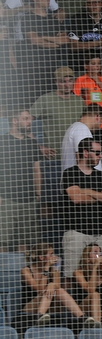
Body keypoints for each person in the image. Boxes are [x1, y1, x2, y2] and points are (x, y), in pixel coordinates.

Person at [61, 138, 102, 279]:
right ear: (85, 153)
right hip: (77, 233)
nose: (100, 156)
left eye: (100, 153)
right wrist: (99, 195)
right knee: (71, 276)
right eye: (96, 153)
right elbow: (77, 198)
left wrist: (88, 191)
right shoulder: (70, 173)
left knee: (99, 275)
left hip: (98, 234)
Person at [0, 108, 42, 253]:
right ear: (14, 121)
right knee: (2, 241)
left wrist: (38, 194)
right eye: (25, 119)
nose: (29, 122)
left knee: (24, 243)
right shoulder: (2, 142)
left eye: (30, 119)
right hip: (6, 198)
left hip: (28, 199)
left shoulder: (32, 143)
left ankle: (23, 274)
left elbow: (37, 169)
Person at [21, 242, 88, 326]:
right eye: (51, 254)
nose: (54, 256)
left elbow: (58, 286)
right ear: (41, 257)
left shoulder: (53, 268)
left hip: (50, 305)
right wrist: (46, 268)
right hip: (31, 306)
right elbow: (39, 289)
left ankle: (82, 317)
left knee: (60, 291)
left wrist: (52, 284)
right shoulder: (26, 271)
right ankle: (39, 315)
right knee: (47, 291)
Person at [72, 242, 102, 329]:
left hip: (101, 307)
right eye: (95, 252)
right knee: (95, 294)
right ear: (87, 258)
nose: (99, 255)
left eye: (100, 252)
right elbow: (90, 290)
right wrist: (95, 267)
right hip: (83, 306)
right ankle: (97, 328)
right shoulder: (78, 272)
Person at [61, 105, 102, 170]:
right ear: (98, 117)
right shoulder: (82, 129)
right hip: (84, 179)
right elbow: (81, 159)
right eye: (101, 122)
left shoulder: (75, 127)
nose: (99, 127)